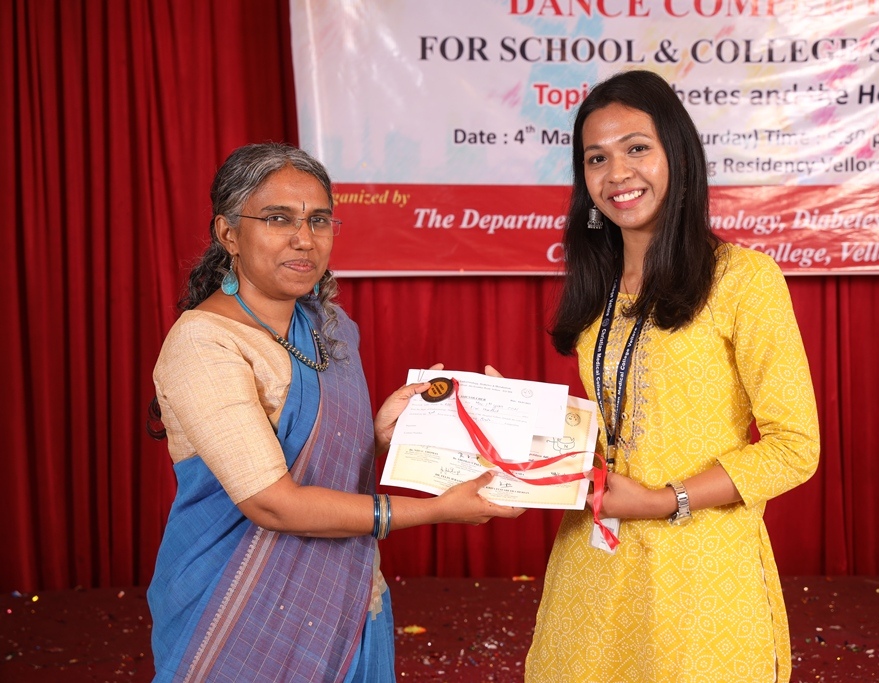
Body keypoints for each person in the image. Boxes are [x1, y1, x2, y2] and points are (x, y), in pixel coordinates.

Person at [147, 142, 522, 682]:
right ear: (228, 233)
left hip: (350, 595)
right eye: (278, 219)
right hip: (234, 604)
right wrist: (433, 511)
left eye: (319, 220)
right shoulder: (205, 344)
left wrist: (379, 438)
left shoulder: (330, 328)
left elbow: (323, 457)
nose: (304, 239)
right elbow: (274, 503)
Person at [524, 70, 820, 682]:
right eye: (596, 158)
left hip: (699, 578)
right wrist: (511, 420)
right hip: (594, 566)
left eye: (637, 148)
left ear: (678, 156)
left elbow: (795, 448)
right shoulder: (599, 289)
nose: (617, 173)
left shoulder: (742, 279)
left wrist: (665, 500)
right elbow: (612, 434)